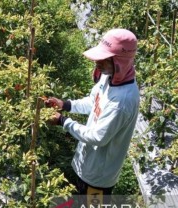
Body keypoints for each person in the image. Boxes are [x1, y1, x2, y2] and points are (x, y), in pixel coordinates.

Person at [45, 29, 139, 204]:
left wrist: (62, 121)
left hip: (98, 176)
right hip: (87, 164)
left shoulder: (122, 101)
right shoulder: (110, 77)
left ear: (119, 61)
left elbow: (97, 137)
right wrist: (65, 104)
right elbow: (93, 102)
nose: (98, 63)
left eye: (104, 59)